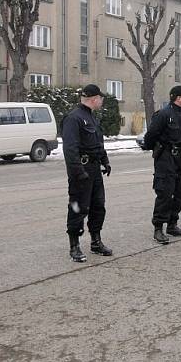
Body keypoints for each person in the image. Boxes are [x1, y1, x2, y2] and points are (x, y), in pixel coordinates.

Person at [62, 84, 113, 262]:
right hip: (81, 171)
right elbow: (70, 149)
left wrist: (105, 160)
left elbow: (98, 144)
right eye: (101, 98)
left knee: (98, 206)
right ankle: (74, 246)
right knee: (78, 208)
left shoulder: (92, 118)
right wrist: (77, 171)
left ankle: (95, 241)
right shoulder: (74, 118)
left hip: (94, 169)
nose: (102, 101)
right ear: (94, 99)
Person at [144, 86, 181, 244]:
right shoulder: (163, 114)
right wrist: (158, 149)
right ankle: (158, 228)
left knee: (178, 193)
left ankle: (172, 224)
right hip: (165, 156)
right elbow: (150, 135)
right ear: (179, 98)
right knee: (165, 192)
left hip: (179, 156)